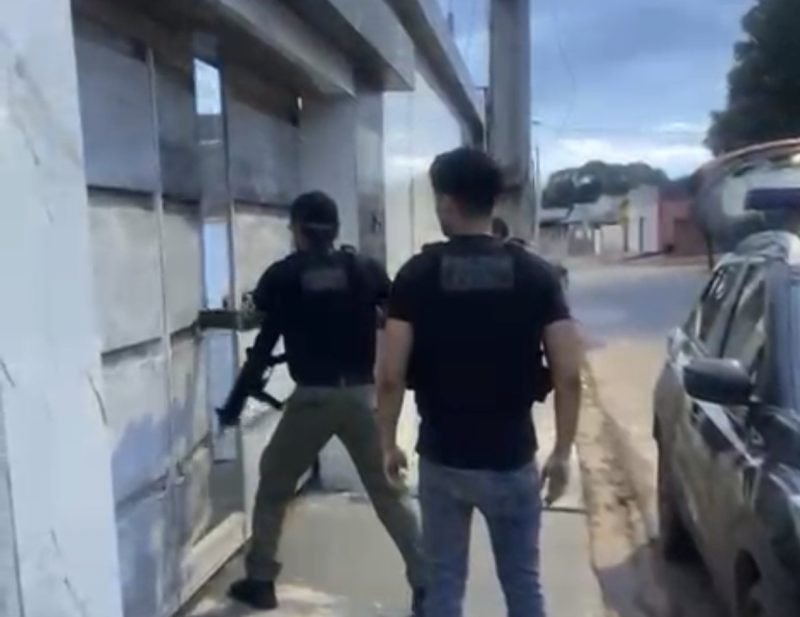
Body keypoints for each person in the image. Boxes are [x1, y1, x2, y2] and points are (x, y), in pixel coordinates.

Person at [377, 147, 583, 617]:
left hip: (443, 458)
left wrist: (387, 442)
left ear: (447, 202)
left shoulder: (415, 275)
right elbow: (569, 375)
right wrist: (562, 452)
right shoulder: (537, 275)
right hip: (511, 458)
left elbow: (390, 376)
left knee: (444, 584)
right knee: (523, 585)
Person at [217, 191, 426, 613]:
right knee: (389, 493)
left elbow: (256, 323)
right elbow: (394, 312)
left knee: (274, 483)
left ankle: (260, 580)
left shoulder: (284, 274)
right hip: (362, 396)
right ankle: (429, 584)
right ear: (334, 229)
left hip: (313, 398)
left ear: (297, 229)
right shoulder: (364, 269)